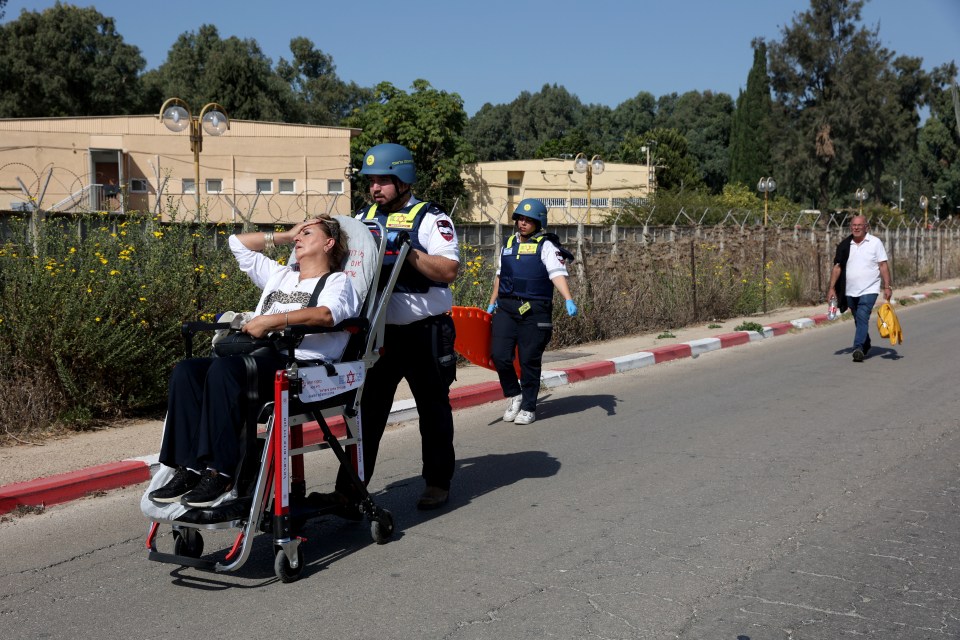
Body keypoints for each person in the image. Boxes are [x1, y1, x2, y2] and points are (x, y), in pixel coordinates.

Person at [149, 215, 361, 507]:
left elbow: (326, 315)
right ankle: (188, 468)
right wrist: (286, 236)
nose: (299, 237)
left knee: (225, 371)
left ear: (329, 243)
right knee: (187, 372)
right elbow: (236, 243)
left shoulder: (337, 281)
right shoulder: (280, 274)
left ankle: (221, 472)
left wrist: (273, 320)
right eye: (299, 232)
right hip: (258, 357)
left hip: (299, 366)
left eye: (307, 232)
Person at [314, 143, 459, 511]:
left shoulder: (430, 218)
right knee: (367, 413)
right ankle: (349, 490)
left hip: (425, 332)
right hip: (380, 335)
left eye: (383, 181)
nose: (375, 188)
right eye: (371, 181)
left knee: (433, 409)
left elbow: (448, 270)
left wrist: (409, 251)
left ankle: (438, 483)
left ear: (404, 179)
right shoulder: (362, 218)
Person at [486, 199, 577, 425]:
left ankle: (528, 406)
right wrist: (491, 302)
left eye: (529, 220)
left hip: (534, 311)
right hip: (506, 308)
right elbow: (500, 276)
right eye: (520, 219)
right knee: (499, 355)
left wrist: (568, 298)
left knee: (528, 360)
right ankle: (515, 395)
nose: (523, 223)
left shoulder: (546, 246)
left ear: (539, 223)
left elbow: (557, 273)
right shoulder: (508, 244)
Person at [826, 215, 892, 363]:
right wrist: (831, 288)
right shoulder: (845, 245)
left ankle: (858, 348)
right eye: (853, 225)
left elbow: (883, 265)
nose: (856, 228)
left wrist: (887, 286)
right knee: (858, 318)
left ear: (866, 227)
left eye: (859, 225)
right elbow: (837, 267)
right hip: (850, 290)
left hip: (870, 288)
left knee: (862, 315)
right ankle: (866, 342)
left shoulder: (875, 243)